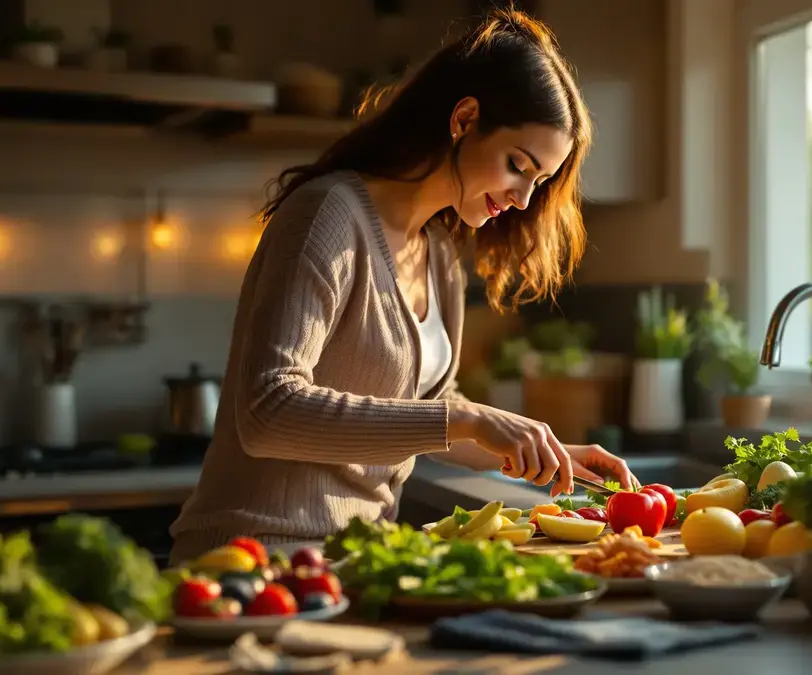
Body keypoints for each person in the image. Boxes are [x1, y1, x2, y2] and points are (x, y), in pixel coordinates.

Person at [169, 9, 635, 564]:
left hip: (355, 562)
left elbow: (431, 412)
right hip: (255, 559)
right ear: (464, 119)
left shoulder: (439, 250)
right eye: (518, 165)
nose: (523, 199)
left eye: (539, 181)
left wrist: (547, 453)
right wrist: (472, 419)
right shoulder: (328, 216)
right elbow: (268, 412)